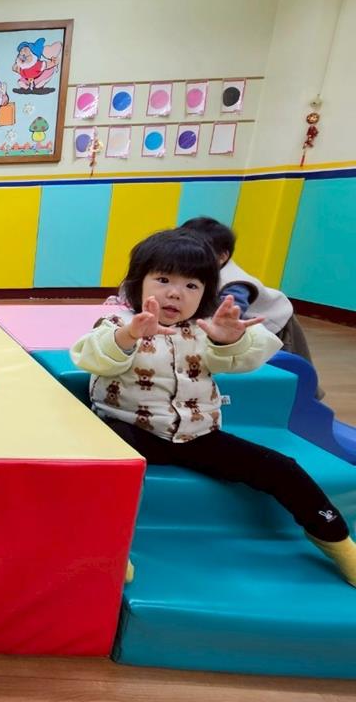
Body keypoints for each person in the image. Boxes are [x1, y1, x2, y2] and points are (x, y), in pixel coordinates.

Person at [71, 229, 356, 586]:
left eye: (191, 285)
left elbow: (242, 360)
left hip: (196, 434)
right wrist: (129, 336)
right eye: (163, 280)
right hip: (130, 428)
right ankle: (109, 544)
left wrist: (229, 340)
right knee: (111, 468)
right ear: (137, 283)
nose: (175, 293)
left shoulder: (206, 330)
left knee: (282, 468)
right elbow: (93, 356)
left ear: (206, 293)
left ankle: (337, 541)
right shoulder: (118, 324)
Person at [180, 216, 320, 396]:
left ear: (222, 256)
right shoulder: (196, 273)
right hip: (246, 328)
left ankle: (307, 398)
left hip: (276, 325)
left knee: (289, 370)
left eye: (199, 252)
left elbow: (229, 315)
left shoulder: (234, 283)